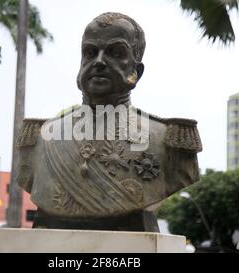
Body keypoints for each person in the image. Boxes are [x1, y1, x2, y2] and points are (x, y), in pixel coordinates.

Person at [15, 12, 202, 232]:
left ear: (136, 70)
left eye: (115, 52)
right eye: (90, 52)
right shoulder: (42, 136)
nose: (99, 62)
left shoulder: (168, 140)